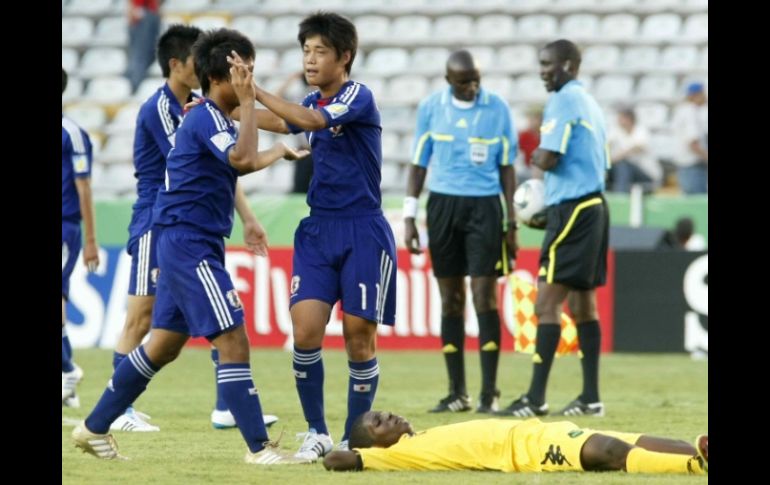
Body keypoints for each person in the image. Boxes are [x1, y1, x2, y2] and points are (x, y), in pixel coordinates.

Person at [72, 28, 309, 465]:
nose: (247, 79)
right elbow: (241, 159)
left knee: (163, 344)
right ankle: (260, 449)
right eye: (243, 71)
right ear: (221, 78)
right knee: (233, 337)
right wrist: (254, 112)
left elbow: (249, 156)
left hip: (188, 239)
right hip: (188, 242)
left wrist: (279, 146)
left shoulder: (210, 116)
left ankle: (94, 426)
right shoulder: (205, 117)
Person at [236, 12, 397, 459]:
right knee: (305, 330)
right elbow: (282, 120)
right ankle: (317, 432)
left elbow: (309, 121)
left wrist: (255, 91)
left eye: (319, 50)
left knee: (358, 335)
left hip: (363, 228)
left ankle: (353, 436)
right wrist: (228, 105)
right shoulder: (309, 99)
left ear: (344, 57)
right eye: (305, 50)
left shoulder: (358, 96)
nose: (310, 58)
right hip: (318, 229)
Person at [110, 24, 276, 433]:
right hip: (159, 217)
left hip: (187, 219)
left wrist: (249, 218)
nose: (198, 68)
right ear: (176, 64)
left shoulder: (201, 106)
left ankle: (224, 406)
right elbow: (214, 163)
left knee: (198, 318)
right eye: (192, 61)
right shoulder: (165, 110)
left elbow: (222, 166)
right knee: (142, 316)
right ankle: (120, 412)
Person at [496, 39, 610, 418]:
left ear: (570, 65)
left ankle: (534, 399)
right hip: (595, 205)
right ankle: (591, 398)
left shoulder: (562, 100)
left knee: (546, 303)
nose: (543, 70)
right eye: (541, 64)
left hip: (573, 208)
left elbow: (549, 155)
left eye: (550, 64)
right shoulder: (590, 102)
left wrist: (535, 156)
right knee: (583, 304)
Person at [403, 49, 518, 415]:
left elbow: (508, 168)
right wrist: (410, 216)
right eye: (465, 82)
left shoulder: (497, 108)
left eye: (476, 80)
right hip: (443, 207)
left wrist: (510, 221)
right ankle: (457, 392)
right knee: (450, 298)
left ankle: (490, 392)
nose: (473, 87)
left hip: (485, 207)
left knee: (484, 296)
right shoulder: (431, 108)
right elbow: (419, 164)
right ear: (449, 81)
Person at [322, 410, 708, 476]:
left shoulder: (420, 437)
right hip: (525, 452)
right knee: (609, 453)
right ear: (372, 447)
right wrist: (322, 452)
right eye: (377, 423)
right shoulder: (396, 458)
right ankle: (695, 467)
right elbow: (337, 462)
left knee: (634, 439)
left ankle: (697, 450)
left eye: (384, 413)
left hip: (536, 430)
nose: (387, 417)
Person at [62, 68, 100, 409]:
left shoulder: (72, 133)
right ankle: (67, 377)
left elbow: (84, 186)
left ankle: (67, 370)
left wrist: (90, 239)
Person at [275, 71, 315, 193]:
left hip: (318, 150)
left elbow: (277, 97)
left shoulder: (324, 97)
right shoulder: (300, 98)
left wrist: (292, 78)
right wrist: (292, 78)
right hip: (304, 151)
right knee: (299, 190)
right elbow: (276, 98)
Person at [607, 106, 661, 193]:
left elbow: (638, 147)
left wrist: (617, 157)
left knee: (622, 165)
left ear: (629, 119)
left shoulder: (641, 130)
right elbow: (607, 144)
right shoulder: (617, 131)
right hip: (627, 172)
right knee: (609, 167)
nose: (618, 120)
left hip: (646, 174)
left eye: (621, 118)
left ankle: (620, 197)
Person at [670, 82, 708, 194]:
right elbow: (693, 144)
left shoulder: (682, 110)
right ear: (696, 95)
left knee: (691, 204)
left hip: (685, 165)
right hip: (692, 166)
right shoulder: (690, 112)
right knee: (698, 204)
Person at [126, 0, 161, 92]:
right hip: (144, 14)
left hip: (146, 13)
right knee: (140, 56)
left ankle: (135, 86)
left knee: (144, 56)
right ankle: (135, 87)